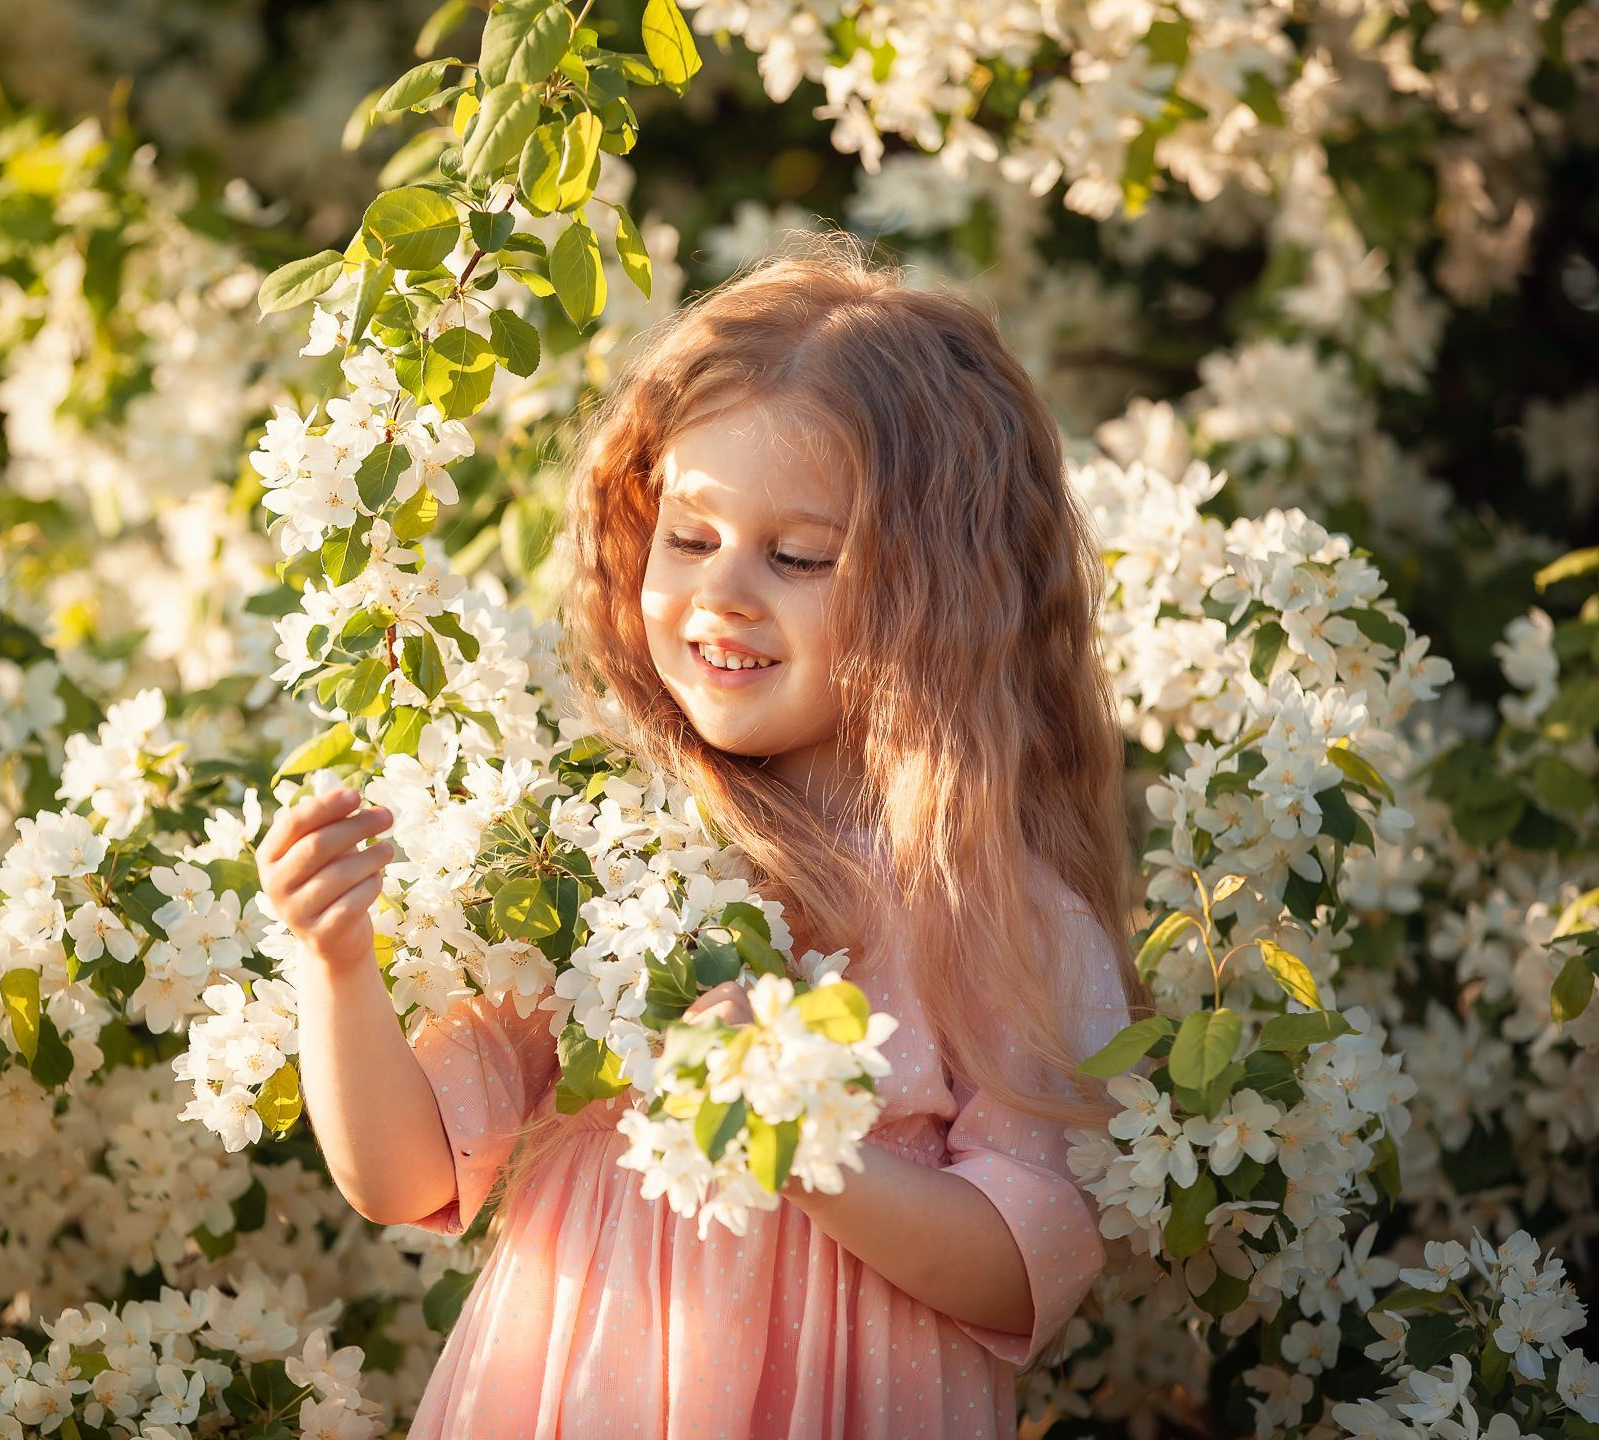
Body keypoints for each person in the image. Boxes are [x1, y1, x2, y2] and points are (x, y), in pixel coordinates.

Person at [256, 235, 1147, 1439]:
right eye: (690, 537)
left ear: (940, 594)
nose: (723, 594)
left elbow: (1023, 1268)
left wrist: (798, 1133)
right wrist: (338, 964)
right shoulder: (603, 848)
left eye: (798, 557)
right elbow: (403, 1173)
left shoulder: (994, 912)